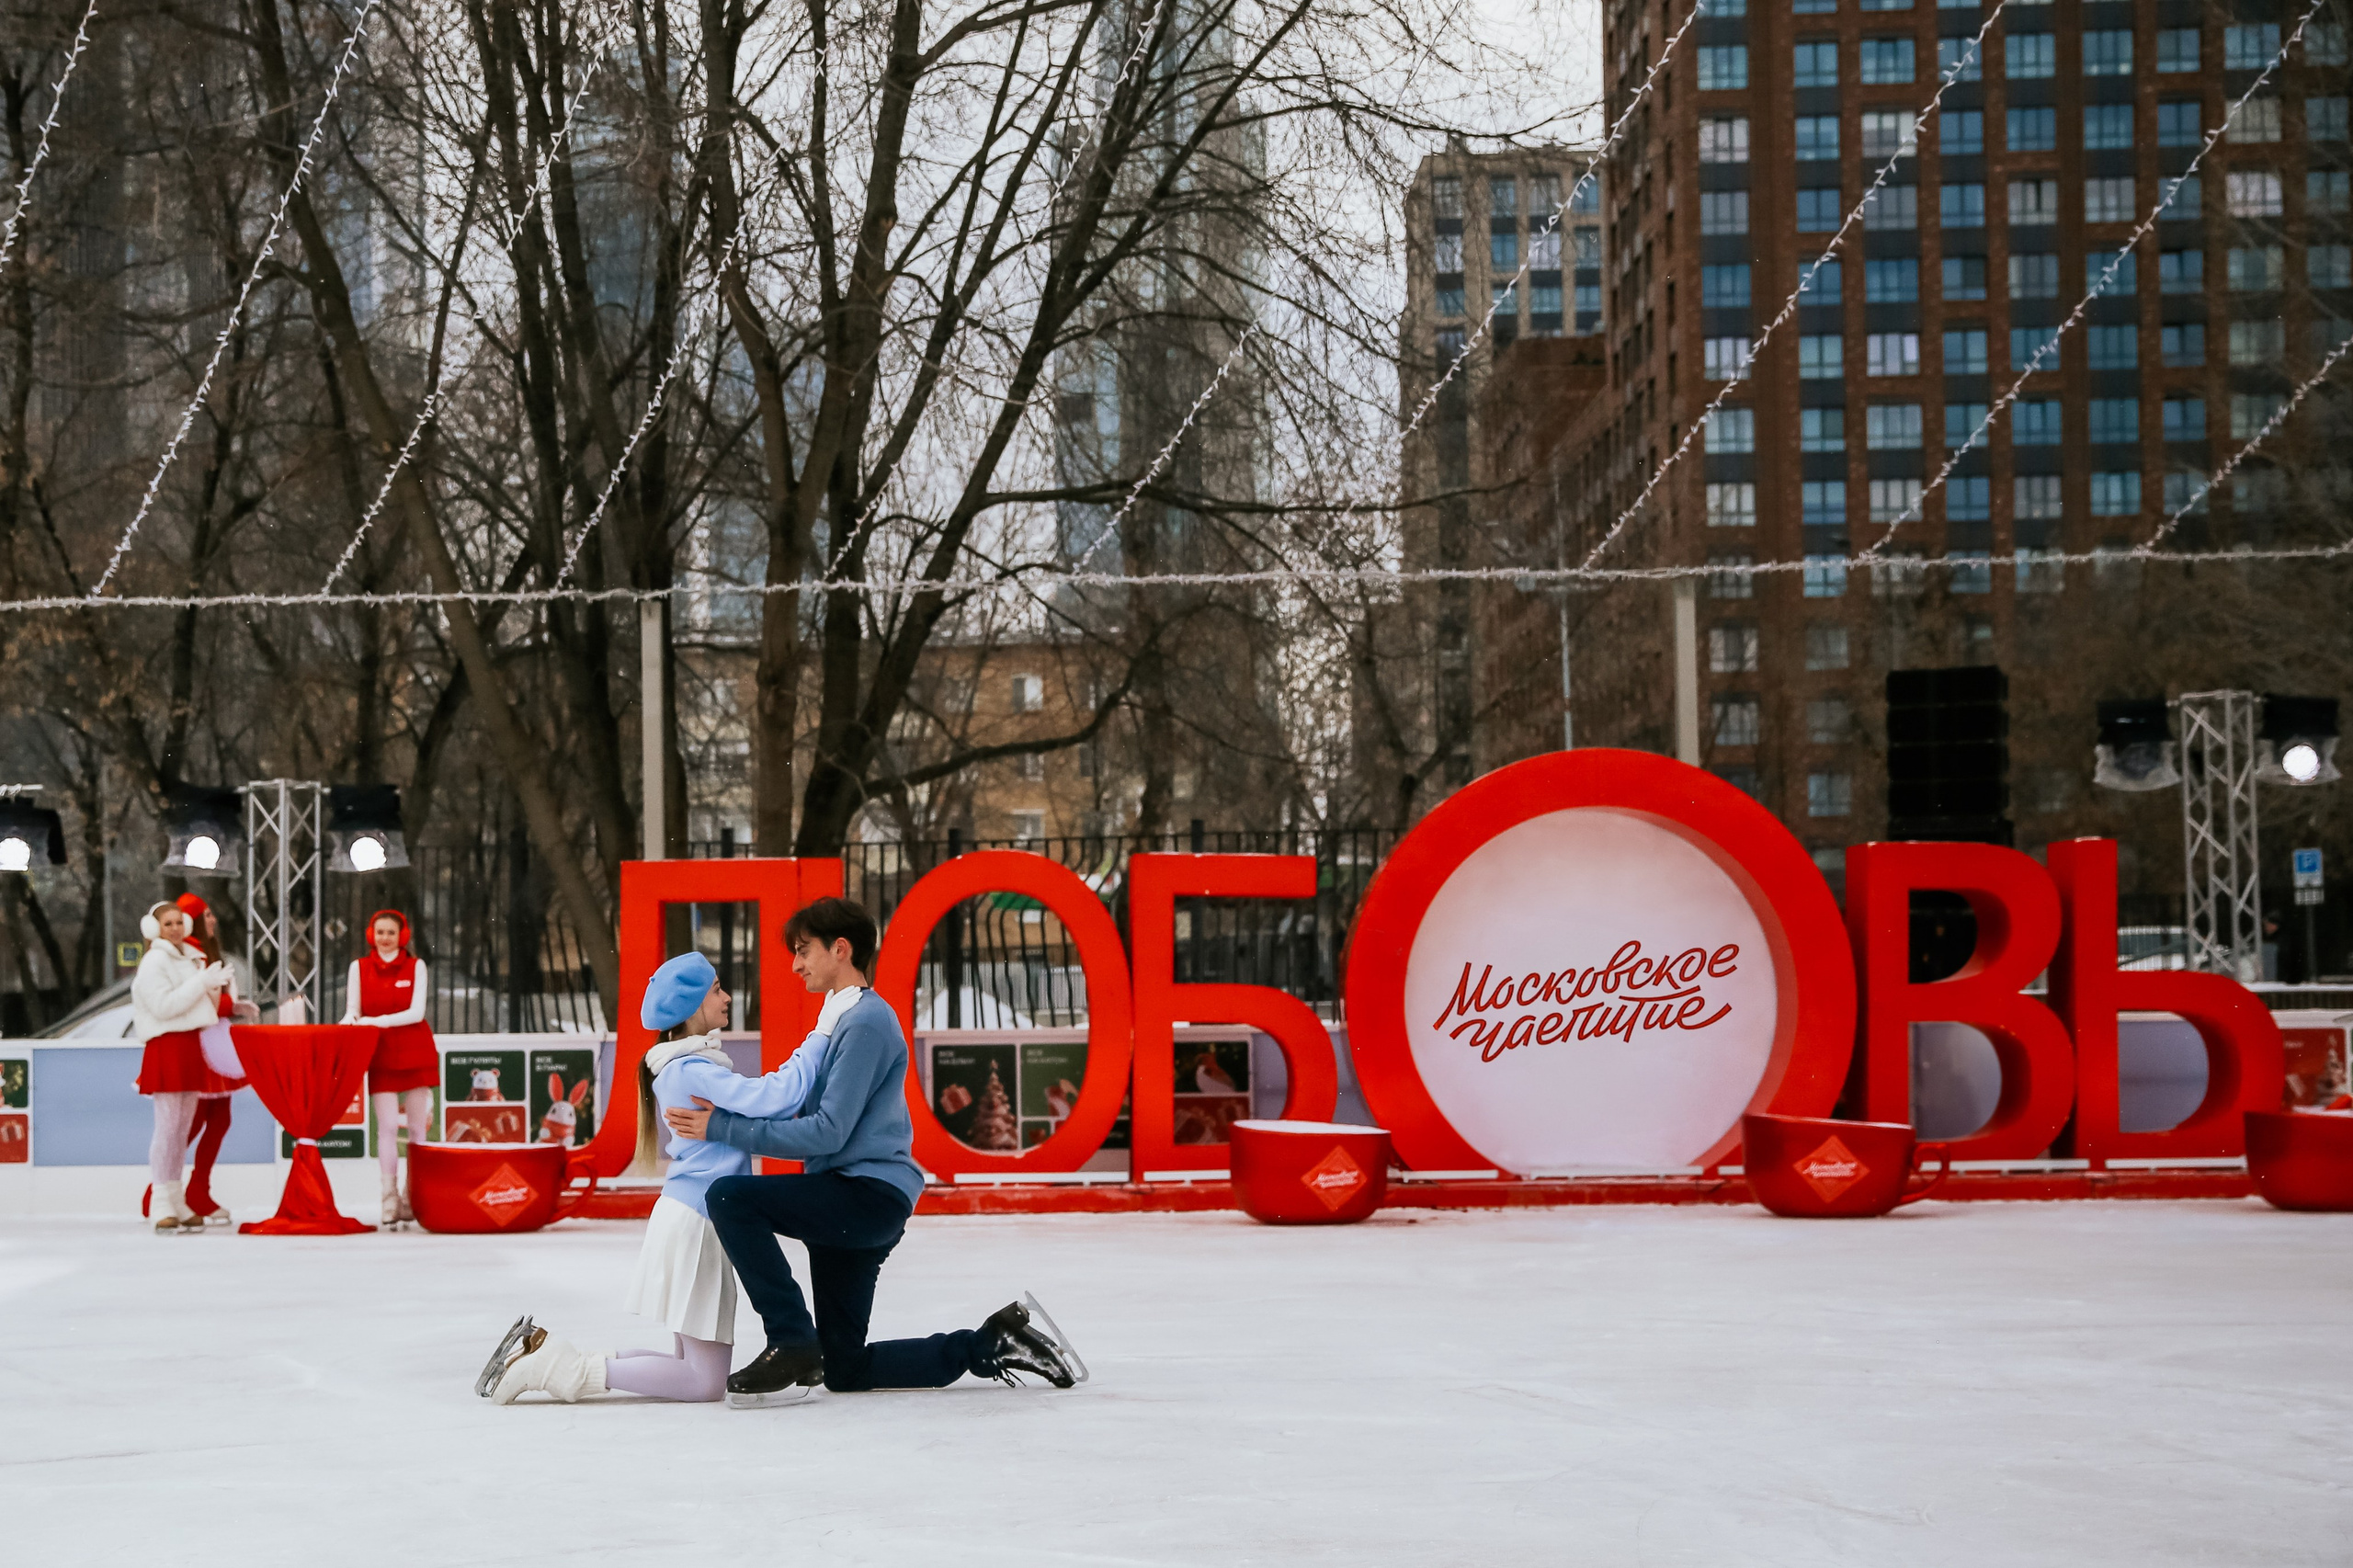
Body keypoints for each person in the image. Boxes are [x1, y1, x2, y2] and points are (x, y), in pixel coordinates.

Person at [666, 897, 1082, 1404]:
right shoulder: (840, 1018)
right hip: (845, 1198)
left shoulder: (864, 1021)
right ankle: (991, 1343)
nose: (796, 965)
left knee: (731, 1198)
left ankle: (792, 1339)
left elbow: (826, 1133)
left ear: (840, 949)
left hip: (864, 1194)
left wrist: (722, 1127)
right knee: (846, 1367)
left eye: (803, 951)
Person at [481, 951, 860, 1404]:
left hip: (687, 1216)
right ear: (693, 1005)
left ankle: (554, 1358)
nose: (727, 997)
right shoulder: (692, 1071)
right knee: (704, 1382)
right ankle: (558, 1369)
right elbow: (776, 1096)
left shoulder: (684, 1066)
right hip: (698, 1223)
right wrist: (821, 1032)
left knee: (689, 1366)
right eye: (717, 989)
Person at [131, 901, 233, 1234]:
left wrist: (214, 989)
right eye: (168, 924)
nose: (175, 929)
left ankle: (175, 1195)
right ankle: (161, 1196)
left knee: (181, 1128)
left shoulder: (188, 957)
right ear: (154, 929)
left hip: (190, 1046)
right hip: (166, 1046)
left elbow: (203, 1008)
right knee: (167, 1126)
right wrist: (202, 983)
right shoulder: (154, 961)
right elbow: (164, 1006)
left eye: (179, 923)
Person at [340, 910, 438, 1227]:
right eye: (380, 932)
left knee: (418, 1128)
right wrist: (348, 1023)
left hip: (414, 1049)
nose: (385, 938)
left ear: (402, 936)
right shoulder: (359, 967)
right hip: (380, 1053)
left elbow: (416, 1012)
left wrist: (377, 1021)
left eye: (391, 933)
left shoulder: (416, 966)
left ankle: (415, 1196)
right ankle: (389, 1198)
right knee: (387, 1129)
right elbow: (353, 1010)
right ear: (371, 935)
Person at [174, 892, 258, 1228]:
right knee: (195, 1121)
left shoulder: (203, 954)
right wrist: (231, 1006)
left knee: (210, 1120)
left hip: (213, 1041)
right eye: (206, 914)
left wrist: (231, 1005)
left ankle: (186, 1189)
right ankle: (171, 1188)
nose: (214, 920)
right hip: (202, 1043)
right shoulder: (191, 955)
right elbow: (202, 1001)